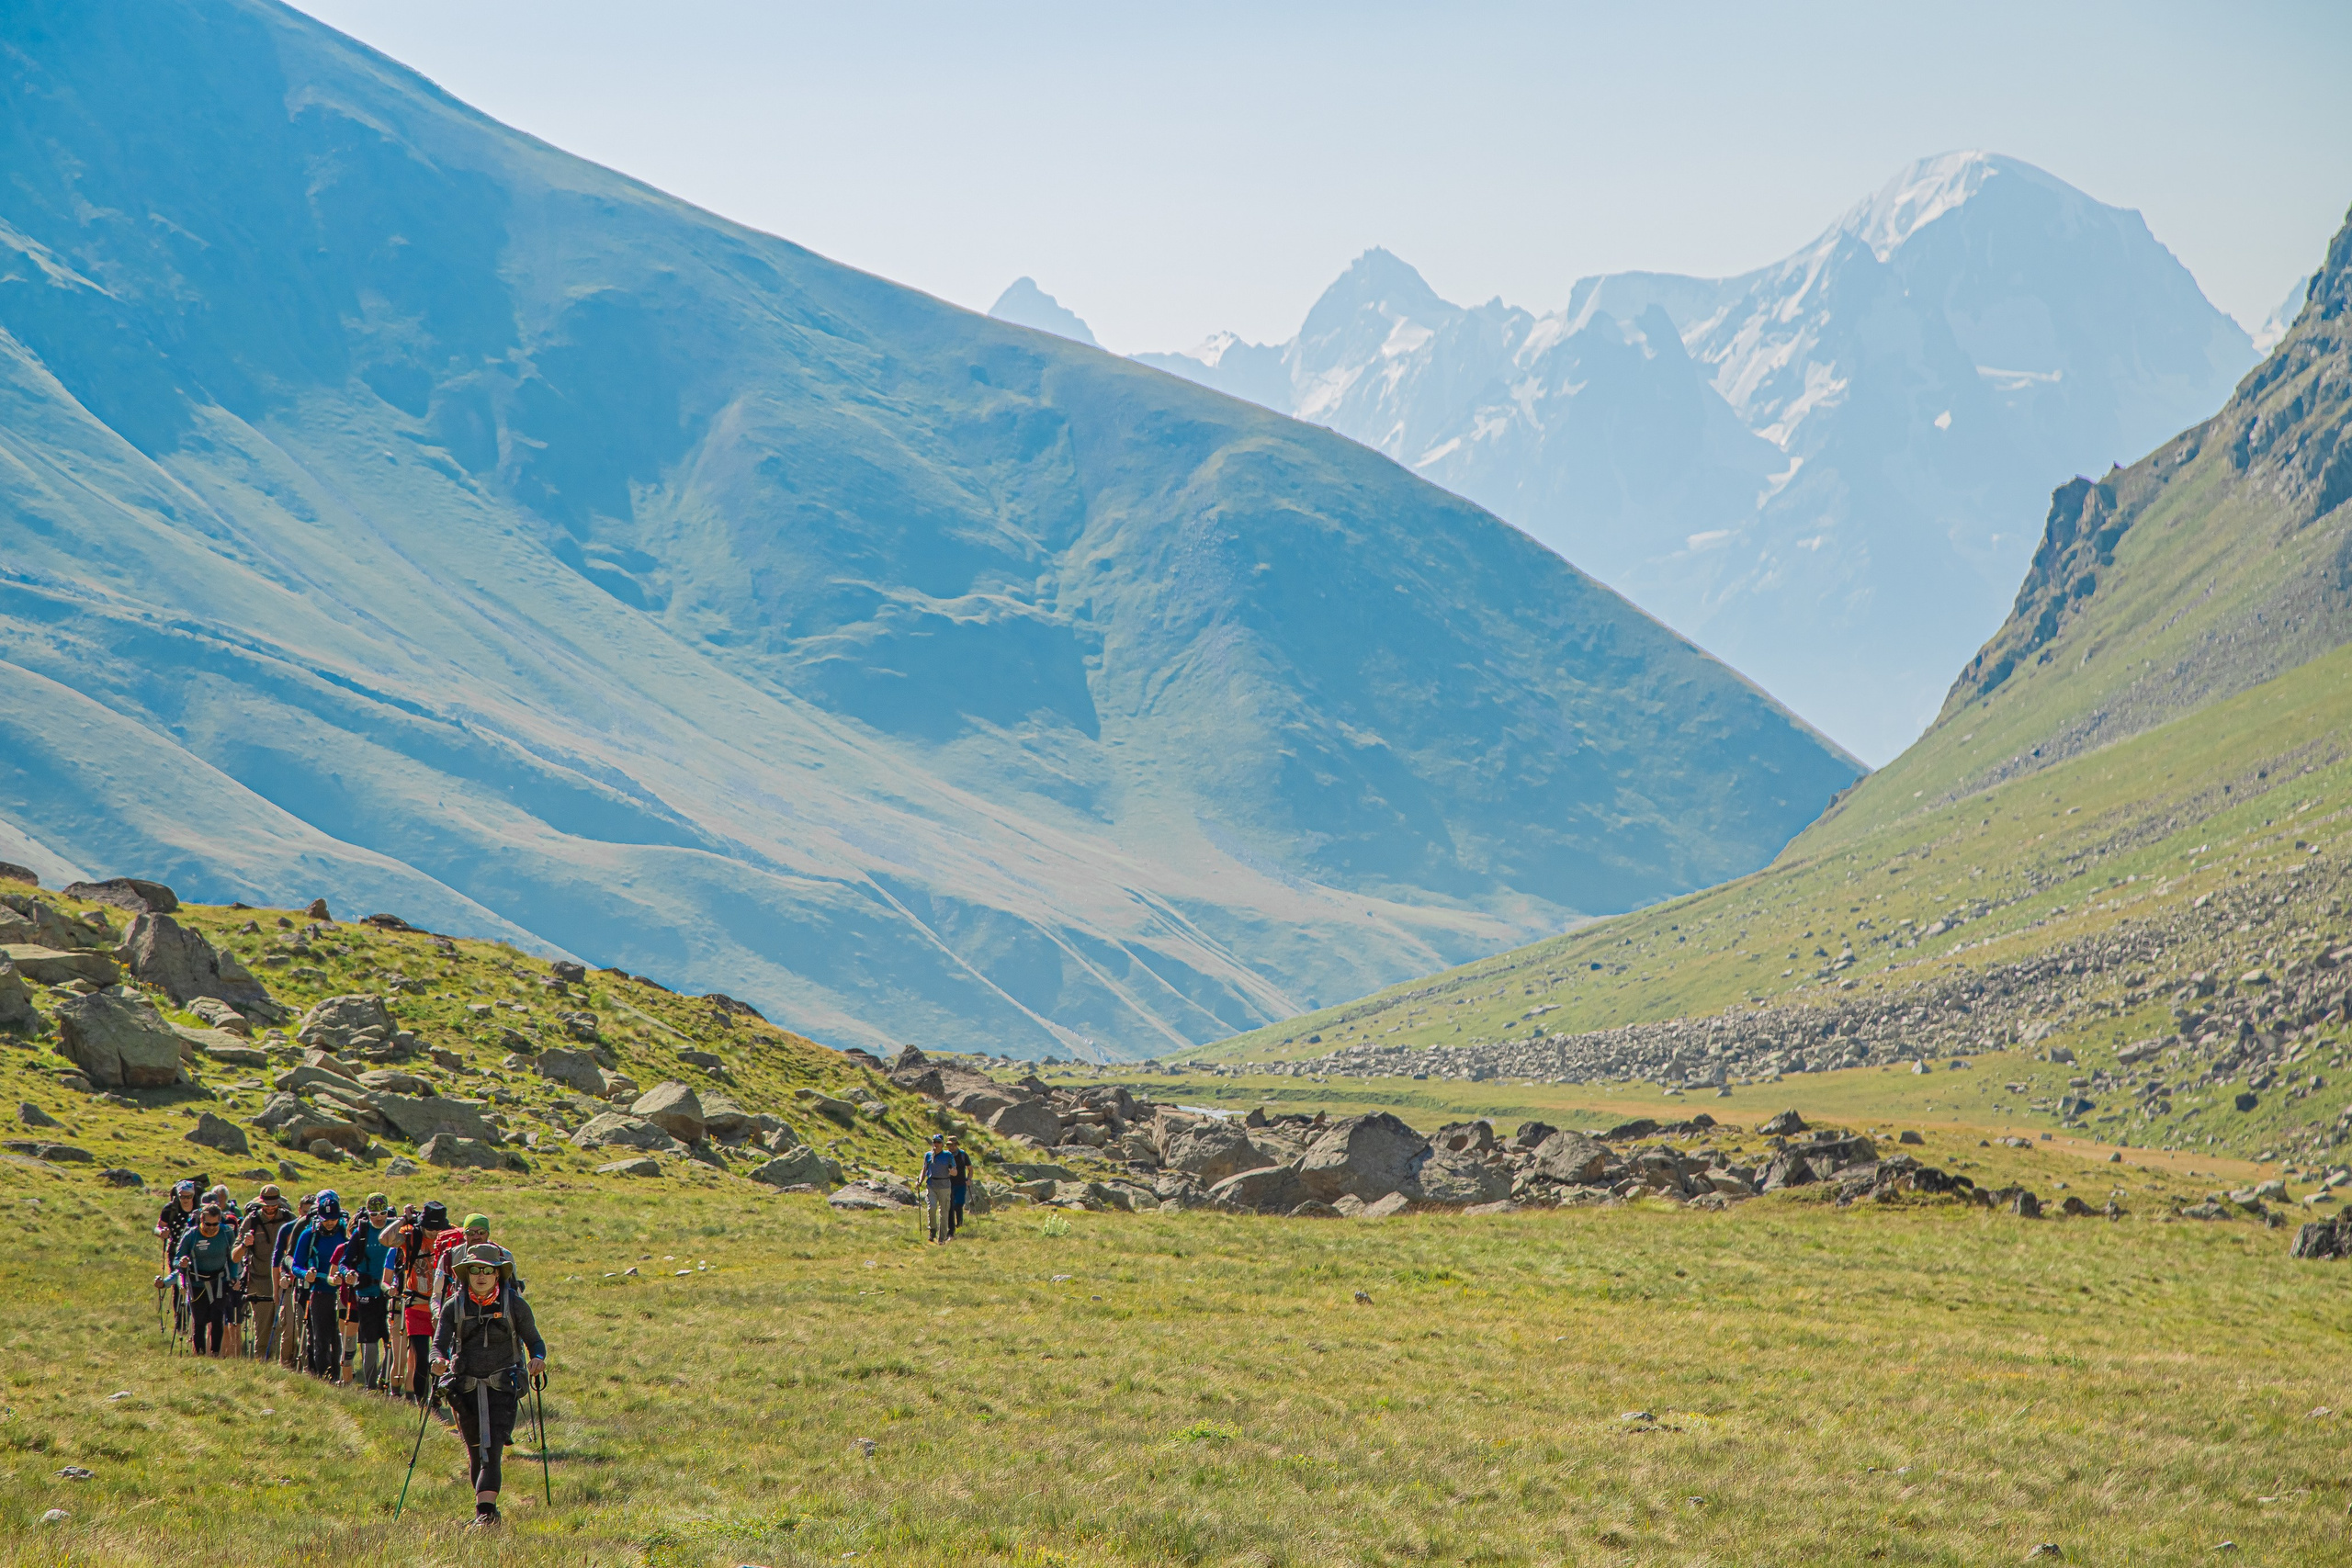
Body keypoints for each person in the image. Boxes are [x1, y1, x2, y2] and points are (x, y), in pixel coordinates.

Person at [431, 1243, 547, 1529]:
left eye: (487, 1270)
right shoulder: (453, 1307)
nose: (481, 1275)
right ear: (466, 1274)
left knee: (492, 1450)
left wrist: (538, 1359)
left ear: (498, 1275)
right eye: (474, 1270)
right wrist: (437, 1361)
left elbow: (535, 1341)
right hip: (464, 1389)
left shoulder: (515, 1305)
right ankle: (489, 1514)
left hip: (503, 1387)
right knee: (475, 1452)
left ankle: (484, 1512)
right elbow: (438, 1346)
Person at [388, 1201, 454, 1404]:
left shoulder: (451, 1238)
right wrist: (404, 1219)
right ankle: (421, 1401)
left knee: (440, 1358)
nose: (433, 1234)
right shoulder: (411, 1235)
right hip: (416, 1306)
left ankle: (435, 1401)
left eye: (437, 1229)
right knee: (421, 1357)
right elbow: (386, 1239)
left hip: (442, 1308)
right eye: (429, 1229)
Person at [332, 1195, 397, 1390]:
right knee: (369, 1340)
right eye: (374, 1214)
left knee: (392, 1339)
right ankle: (370, 1386)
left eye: (383, 1213)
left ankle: (386, 1380)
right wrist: (349, 1273)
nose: (379, 1218)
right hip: (367, 1292)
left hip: (391, 1293)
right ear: (368, 1213)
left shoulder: (396, 1229)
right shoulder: (362, 1232)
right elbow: (344, 1263)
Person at [287, 1190, 351, 1380]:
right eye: (326, 1219)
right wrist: (306, 1274)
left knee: (339, 1339)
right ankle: (322, 1378)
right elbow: (295, 1264)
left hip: (342, 1294)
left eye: (333, 1219)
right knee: (320, 1339)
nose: (330, 1223)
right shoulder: (309, 1235)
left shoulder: (346, 1233)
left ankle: (338, 1377)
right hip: (319, 1292)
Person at [232, 1185, 294, 1363]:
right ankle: (262, 1367)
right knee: (263, 1331)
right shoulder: (251, 1221)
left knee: (286, 1329)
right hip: (259, 1283)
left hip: (284, 1282)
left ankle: (284, 1367)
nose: (270, 1208)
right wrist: (245, 1244)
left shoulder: (290, 1220)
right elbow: (235, 1257)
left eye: (273, 1204)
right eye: (266, 1204)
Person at [173, 1202, 241, 1357]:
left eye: (215, 1224)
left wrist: (233, 1276)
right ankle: (201, 1354)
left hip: (219, 1282)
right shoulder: (191, 1235)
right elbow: (177, 1260)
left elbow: (232, 1258)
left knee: (218, 1317)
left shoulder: (226, 1233)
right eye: (208, 1224)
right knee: (199, 1320)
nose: (211, 1227)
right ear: (201, 1219)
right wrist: (182, 1263)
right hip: (197, 1283)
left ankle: (215, 1353)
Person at [271, 1193, 313, 1368]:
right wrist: (277, 1286)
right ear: (299, 1210)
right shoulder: (289, 1228)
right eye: (305, 1212)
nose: (308, 1216)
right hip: (289, 1283)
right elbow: (279, 1258)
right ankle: (285, 1365)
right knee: (289, 1329)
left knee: (306, 1331)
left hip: (309, 1285)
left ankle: (305, 1365)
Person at [921, 1134, 956, 1243]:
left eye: (938, 1142)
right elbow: (924, 1169)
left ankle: (942, 1238)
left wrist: (953, 1172)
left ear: (942, 1144)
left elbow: (954, 1170)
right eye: (934, 1142)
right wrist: (919, 1181)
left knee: (944, 1212)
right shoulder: (928, 1155)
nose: (936, 1144)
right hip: (931, 1184)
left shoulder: (948, 1155)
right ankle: (932, 1230)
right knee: (931, 1208)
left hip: (944, 1186)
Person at [947, 1135, 972, 1236]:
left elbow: (970, 1169)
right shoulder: (946, 1155)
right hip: (949, 1184)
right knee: (950, 1206)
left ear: (957, 1145)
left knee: (959, 1204)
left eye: (953, 1145)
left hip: (961, 1183)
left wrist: (969, 1179)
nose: (951, 1147)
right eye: (949, 1145)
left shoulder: (963, 1155)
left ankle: (960, 1223)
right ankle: (952, 1226)